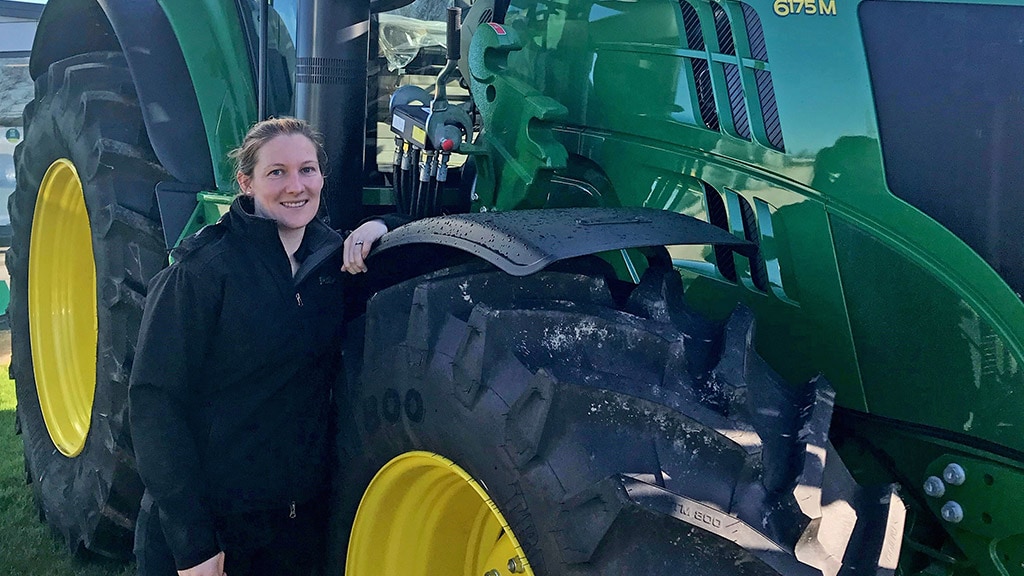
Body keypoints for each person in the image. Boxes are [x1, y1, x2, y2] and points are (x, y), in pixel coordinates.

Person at [129, 117, 401, 576]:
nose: (296, 186)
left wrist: (379, 225)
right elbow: (154, 406)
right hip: (217, 532)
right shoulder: (201, 273)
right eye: (277, 172)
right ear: (246, 182)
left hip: (297, 532)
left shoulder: (330, 263)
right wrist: (194, 544)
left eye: (307, 170)